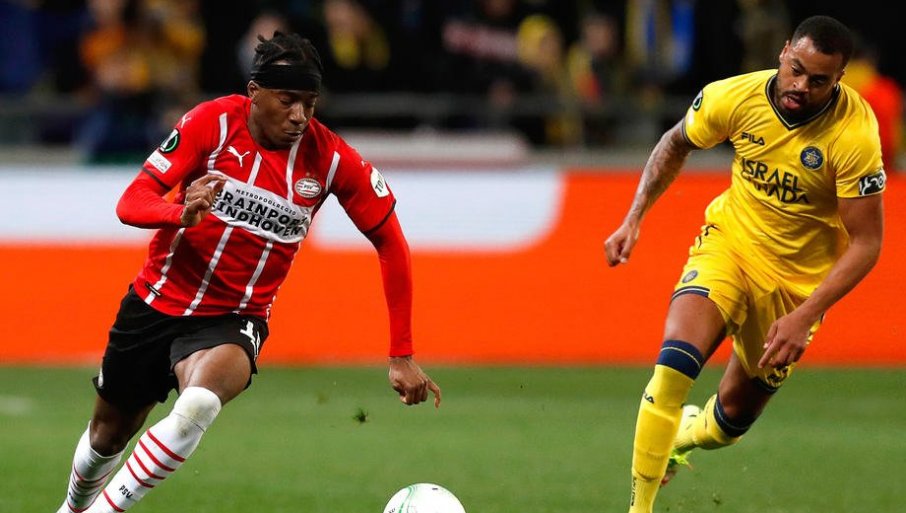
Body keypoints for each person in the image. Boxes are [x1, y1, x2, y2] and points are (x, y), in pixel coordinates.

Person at [53, 31, 442, 513]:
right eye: (287, 100)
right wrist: (179, 213)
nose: (299, 116)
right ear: (254, 92)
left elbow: (391, 243)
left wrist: (401, 353)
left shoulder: (331, 159)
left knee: (199, 403)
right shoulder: (211, 123)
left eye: (309, 103)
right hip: (156, 301)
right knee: (106, 437)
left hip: (236, 316)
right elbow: (131, 201)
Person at [604, 15, 885, 513]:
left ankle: (682, 436)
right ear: (783, 52)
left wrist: (804, 314)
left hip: (795, 288)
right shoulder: (733, 97)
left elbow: (867, 243)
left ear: (839, 79)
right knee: (672, 368)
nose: (801, 86)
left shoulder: (854, 135)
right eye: (796, 70)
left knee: (731, 423)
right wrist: (634, 218)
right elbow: (675, 142)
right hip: (729, 247)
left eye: (818, 80)